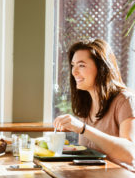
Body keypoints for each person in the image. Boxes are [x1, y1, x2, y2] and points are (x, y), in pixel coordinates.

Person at [53, 39, 135, 170]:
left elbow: (130, 153)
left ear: (101, 68)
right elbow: (87, 153)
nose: (74, 72)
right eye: (73, 65)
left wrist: (83, 128)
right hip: (91, 177)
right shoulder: (86, 104)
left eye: (81, 65)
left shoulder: (125, 100)